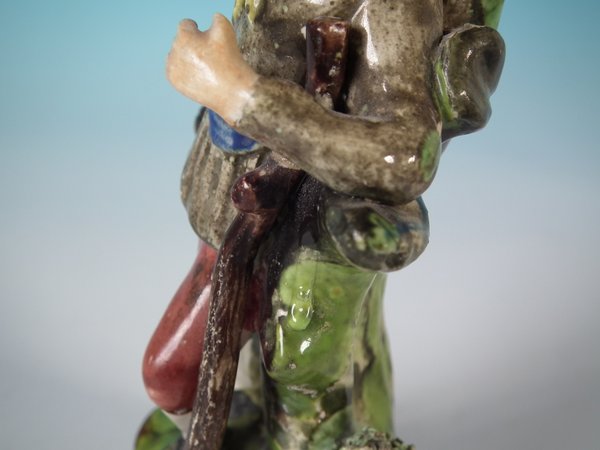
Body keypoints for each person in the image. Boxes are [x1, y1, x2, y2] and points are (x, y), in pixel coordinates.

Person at [139, 1, 505, 448]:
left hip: (296, 221)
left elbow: (406, 155)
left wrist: (238, 93)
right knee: (218, 377)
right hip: (233, 203)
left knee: (179, 376)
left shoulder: (393, 9)